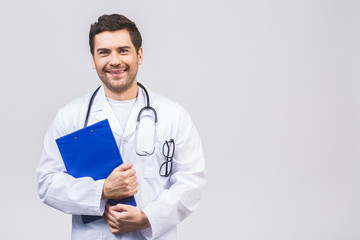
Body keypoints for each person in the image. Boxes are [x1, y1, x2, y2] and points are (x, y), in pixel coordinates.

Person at [36, 14, 206, 240]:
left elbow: (191, 182)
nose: (114, 61)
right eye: (104, 52)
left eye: (123, 50)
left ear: (140, 54)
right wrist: (103, 190)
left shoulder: (174, 115)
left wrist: (147, 217)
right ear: (93, 59)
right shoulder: (70, 116)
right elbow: (47, 183)